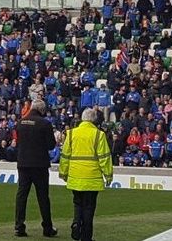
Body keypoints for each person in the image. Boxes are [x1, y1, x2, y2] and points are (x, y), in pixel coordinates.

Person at [59, 108, 112, 241]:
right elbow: (104, 157)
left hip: (75, 176)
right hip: (92, 177)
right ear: (94, 120)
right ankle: (86, 237)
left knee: (77, 204)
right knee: (89, 208)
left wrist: (63, 173)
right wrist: (108, 175)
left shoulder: (71, 133)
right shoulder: (99, 135)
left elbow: (65, 155)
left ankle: (76, 223)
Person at [14, 103, 58, 238]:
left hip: (23, 163)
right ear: (42, 110)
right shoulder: (45, 124)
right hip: (39, 164)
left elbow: (18, 141)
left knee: (22, 195)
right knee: (43, 197)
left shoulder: (20, 123)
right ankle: (47, 227)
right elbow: (51, 145)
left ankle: (19, 226)